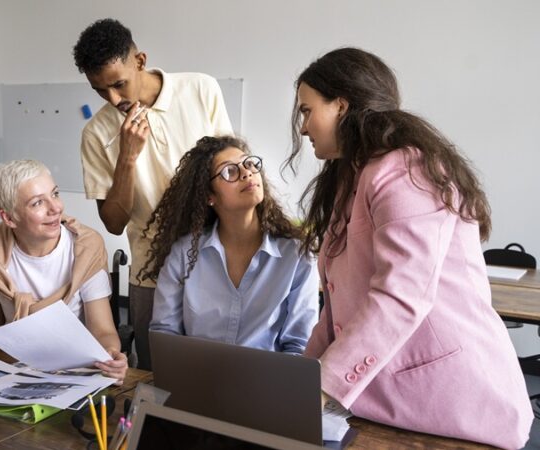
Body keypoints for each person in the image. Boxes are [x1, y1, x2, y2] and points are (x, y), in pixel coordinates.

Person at [288, 47, 531, 448]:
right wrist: (298, 380)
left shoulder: (404, 169)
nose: (303, 127)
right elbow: (339, 310)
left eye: (306, 110)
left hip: (456, 402)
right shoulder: (354, 176)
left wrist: (319, 387)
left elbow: (401, 296)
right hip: (392, 402)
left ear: (341, 105)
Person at [74, 18, 234, 369]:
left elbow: (228, 172)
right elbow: (114, 223)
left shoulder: (200, 89)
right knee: (154, 376)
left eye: (118, 84)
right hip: (150, 275)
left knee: (217, 373)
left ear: (140, 61)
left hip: (214, 262)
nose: (113, 99)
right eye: (100, 91)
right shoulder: (96, 134)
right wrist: (127, 158)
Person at [0, 160, 128, 383]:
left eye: (55, 193)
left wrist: (111, 355)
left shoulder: (86, 248)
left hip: (73, 369)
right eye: (38, 203)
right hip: (15, 366)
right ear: (9, 218)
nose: (56, 207)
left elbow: (103, 330)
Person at [140, 136, 318, 353]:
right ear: (209, 196)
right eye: (229, 171)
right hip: (198, 377)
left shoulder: (297, 255)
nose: (246, 173)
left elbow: (299, 345)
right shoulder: (183, 254)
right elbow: (164, 333)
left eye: (249, 163)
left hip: (268, 383)